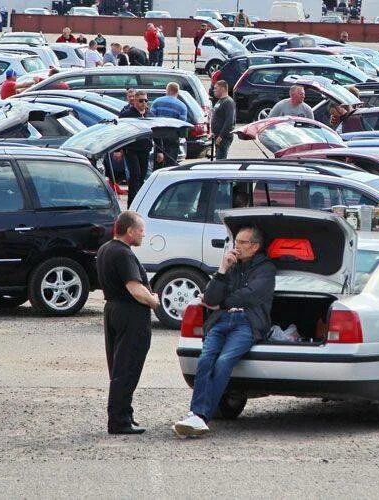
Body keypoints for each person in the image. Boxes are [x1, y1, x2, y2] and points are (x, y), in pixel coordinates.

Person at [172, 225, 276, 437]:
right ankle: (196, 415)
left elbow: (250, 295)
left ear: (255, 246)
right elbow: (210, 298)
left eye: (241, 242)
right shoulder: (231, 266)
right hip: (221, 322)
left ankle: (200, 416)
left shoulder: (266, 269)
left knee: (224, 361)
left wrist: (222, 304)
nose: (236, 246)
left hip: (247, 323)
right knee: (205, 360)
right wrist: (221, 269)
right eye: (235, 241)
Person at [96, 211, 159, 435]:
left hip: (113, 310)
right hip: (130, 313)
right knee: (127, 367)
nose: (143, 234)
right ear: (130, 230)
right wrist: (154, 302)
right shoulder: (123, 253)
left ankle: (125, 415)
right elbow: (135, 289)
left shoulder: (105, 249)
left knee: (118, 365)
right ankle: (119, 420)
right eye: (141, 230)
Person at [119, 90, 155, 207]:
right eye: (141, 100)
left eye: (146, 100)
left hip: (145, 149)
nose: (143, 103)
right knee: (135, 175)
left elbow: (156, 132)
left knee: (142, 176)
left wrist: (160, 151)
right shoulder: (126, 114)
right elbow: (119, 133)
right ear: (134, 101)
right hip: (131, 149)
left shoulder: (150, 114)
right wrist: (118, 150)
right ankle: (132, 204)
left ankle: (140, 203)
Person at [150, 82, 187, 168]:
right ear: (177, 92)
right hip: (173, 137)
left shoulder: (156, 102)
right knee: (170, 164)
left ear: (167, 90)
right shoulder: (182, 106)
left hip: (158, 136)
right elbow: (182, 123)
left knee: (158, 163)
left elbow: (151, 119)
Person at [211, 80, 236, 160]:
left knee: (220, 160)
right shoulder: (220, 101)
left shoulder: (228, 102)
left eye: (215, 88)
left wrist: (221, 136)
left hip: (224, 137)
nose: (213, 90)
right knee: (217, 158)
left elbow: (229, 121)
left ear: (222, 89)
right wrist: (213, 133)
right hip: (217, 135)